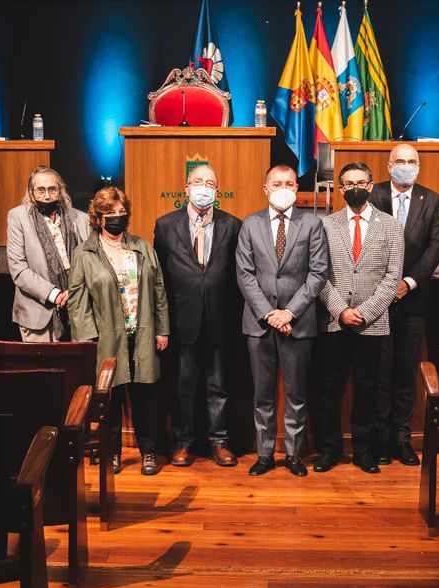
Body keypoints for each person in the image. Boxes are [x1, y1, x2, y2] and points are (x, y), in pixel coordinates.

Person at [68, 187, 170, 476]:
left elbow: (159, 290)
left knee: (145, 398)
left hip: (142, 332)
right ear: (97, 218)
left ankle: (148, 451)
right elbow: (77, 300)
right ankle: (110, 452)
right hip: (105, 336)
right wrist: (88, 339)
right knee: (109, 400)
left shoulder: (142, 247)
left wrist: (162, 330)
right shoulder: (85, 253)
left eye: (121, 213)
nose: (117, 218)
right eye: (109, 214)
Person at [236, 164, 328, 477]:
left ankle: (292, 454)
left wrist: (290, 312)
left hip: (298, 323)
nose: (283, 188)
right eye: (277, 183)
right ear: (265, 188)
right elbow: (245, 275)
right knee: (262, 394)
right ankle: (264, 455)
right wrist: (270, 314)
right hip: (260, 325)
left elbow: (318, 274)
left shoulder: (312, 224)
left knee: (296, 394)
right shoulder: (250, 224)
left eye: (289, 183)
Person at [313, 162, 404, 474]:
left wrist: (364, 312)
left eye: (360, 182)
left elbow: (393, 278)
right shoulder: (324, 225)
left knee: (367, 389)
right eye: (347, 182)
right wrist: (341, 310)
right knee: (329, 389)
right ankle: (329, 450)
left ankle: (364, 452)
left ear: (370, 185)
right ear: (339, 189)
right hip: (334, 320)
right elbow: (319, 276)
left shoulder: (391, 226)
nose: (354, 187)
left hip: (373, 322)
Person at [153, 164, 242, 468]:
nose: (204, 187)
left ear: (217, 191)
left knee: (218, 386)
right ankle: (182, 443)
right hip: (181, 322)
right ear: (186, 188)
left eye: (211, 183)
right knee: (183, 386)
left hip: (219, 321)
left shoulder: (233, 225)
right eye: (198, 182)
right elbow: (160, 279)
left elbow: (237, 277)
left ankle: (219, 441)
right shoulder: (165, 225)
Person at [368, 142, 439, 466]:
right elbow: (367, 244)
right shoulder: (375, 196)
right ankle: (381, 440)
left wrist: (408, 283)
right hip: (379, 302)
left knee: (406, 373)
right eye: (400, 161)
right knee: (380, 374)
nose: (406, 165)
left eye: (412, 161)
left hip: (414, 300)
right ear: (389, 166)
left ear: (419, 166)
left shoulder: (432, 200)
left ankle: (402, 438)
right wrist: (388, 286)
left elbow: (435, 247)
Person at [6, 166, 91, 341]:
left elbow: (91, 264)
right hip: (38, 313)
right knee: (42, 368)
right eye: (41, 190)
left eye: (52, 189)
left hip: (79, 308)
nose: (47, 195)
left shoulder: (81, 218)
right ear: (31, 192)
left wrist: (73, 292)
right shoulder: (18, 217)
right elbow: (18, 269)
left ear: (60, 191)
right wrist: (55, 295)